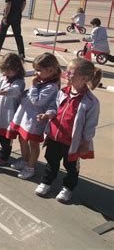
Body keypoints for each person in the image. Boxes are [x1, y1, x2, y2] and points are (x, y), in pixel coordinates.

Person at [35, 59, 101, 203]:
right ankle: (46, 182)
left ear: (83, 78)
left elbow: (90, 125)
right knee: (51, 161)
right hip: (54, 136)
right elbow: (54, 107)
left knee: (71, 166)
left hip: (72, 142)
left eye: (71, 72)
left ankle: (67, 188)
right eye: (67, 71)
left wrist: (85, 142)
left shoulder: (90, 101)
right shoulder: (62, 92)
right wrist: (48, 114)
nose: (66, 74)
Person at [7, 53, 61, 180]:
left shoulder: (51, 86)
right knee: (22, 139)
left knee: (33, 144)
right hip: (25, 116)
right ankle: (25, 160)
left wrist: (33, 86)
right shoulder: (41, 81)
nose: (36, 73)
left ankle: (30, 167)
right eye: (36, 69)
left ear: (51, 70)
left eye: (39, 70)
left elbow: (37, 101)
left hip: (35, 120)